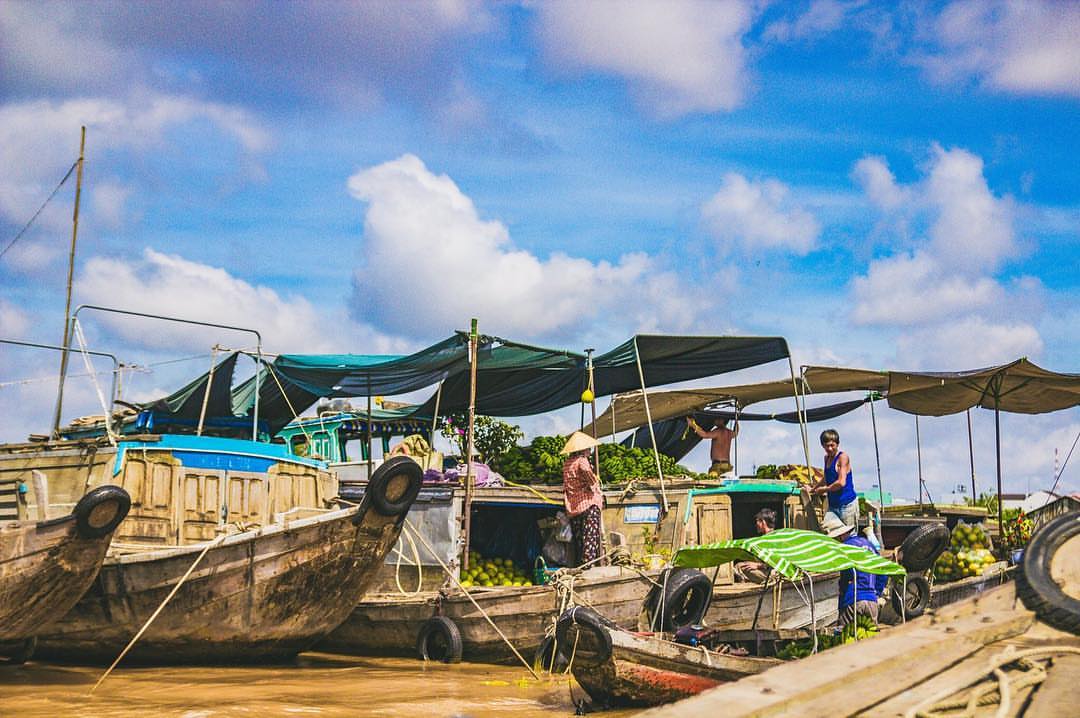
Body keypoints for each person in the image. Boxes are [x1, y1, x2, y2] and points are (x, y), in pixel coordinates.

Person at [821, 513, 887, 627]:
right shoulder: (868, 544)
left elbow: (845, 579)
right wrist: (876, 593)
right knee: (871, 641)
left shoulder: (845, 548)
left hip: (853, 600)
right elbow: (883, 573)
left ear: (840, 536)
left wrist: (841, 606)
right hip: (872, 602)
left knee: (846, 638)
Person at [560, 431, 604, 566]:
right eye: (588, 449)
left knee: (580, 539)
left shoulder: (568, 463)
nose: (589, 451)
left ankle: (581, 564)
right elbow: (591, 480)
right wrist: (595, 484)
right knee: (590, 538)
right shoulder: (582, 461)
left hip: (574, 506)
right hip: (587, 504)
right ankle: (588, 566)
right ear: (582, 449)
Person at [810, 428, 859, 529]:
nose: (830, 448)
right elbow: (826, 478)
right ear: (822, 445)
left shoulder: (843, 457)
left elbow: (841, 483)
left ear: (837, 444)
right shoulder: (826, 458)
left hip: (847, 505)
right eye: (827, 446)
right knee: (827, 530)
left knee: (848, 536)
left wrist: (824, 489)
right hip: (833, 506)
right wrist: (814, 489)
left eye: (832, 445)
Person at [734, 508, 776, 583]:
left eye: (757, 521)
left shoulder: (772, 538)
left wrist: (758, 565)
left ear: (763, 522)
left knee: (741, 568)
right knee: (739, 565)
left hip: (772, 573)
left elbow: (775, 562)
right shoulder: (766, 537)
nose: (756, 524)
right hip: (765, 569)